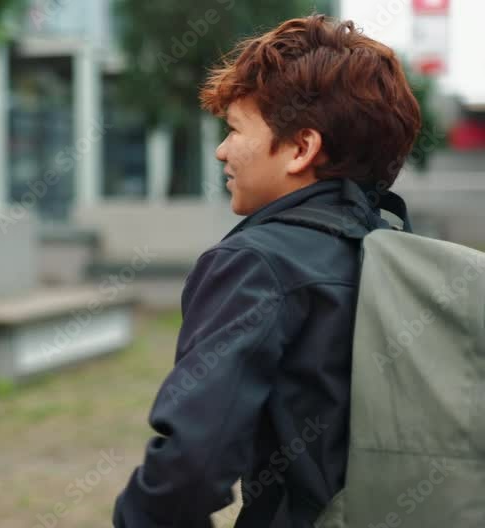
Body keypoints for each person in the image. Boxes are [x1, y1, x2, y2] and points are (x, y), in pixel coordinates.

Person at [113, 15, 421, 527]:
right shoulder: (396, 253)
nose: (221, 150)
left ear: (302, 148)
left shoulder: (256, 265)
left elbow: (192, 466)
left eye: (234, 129)